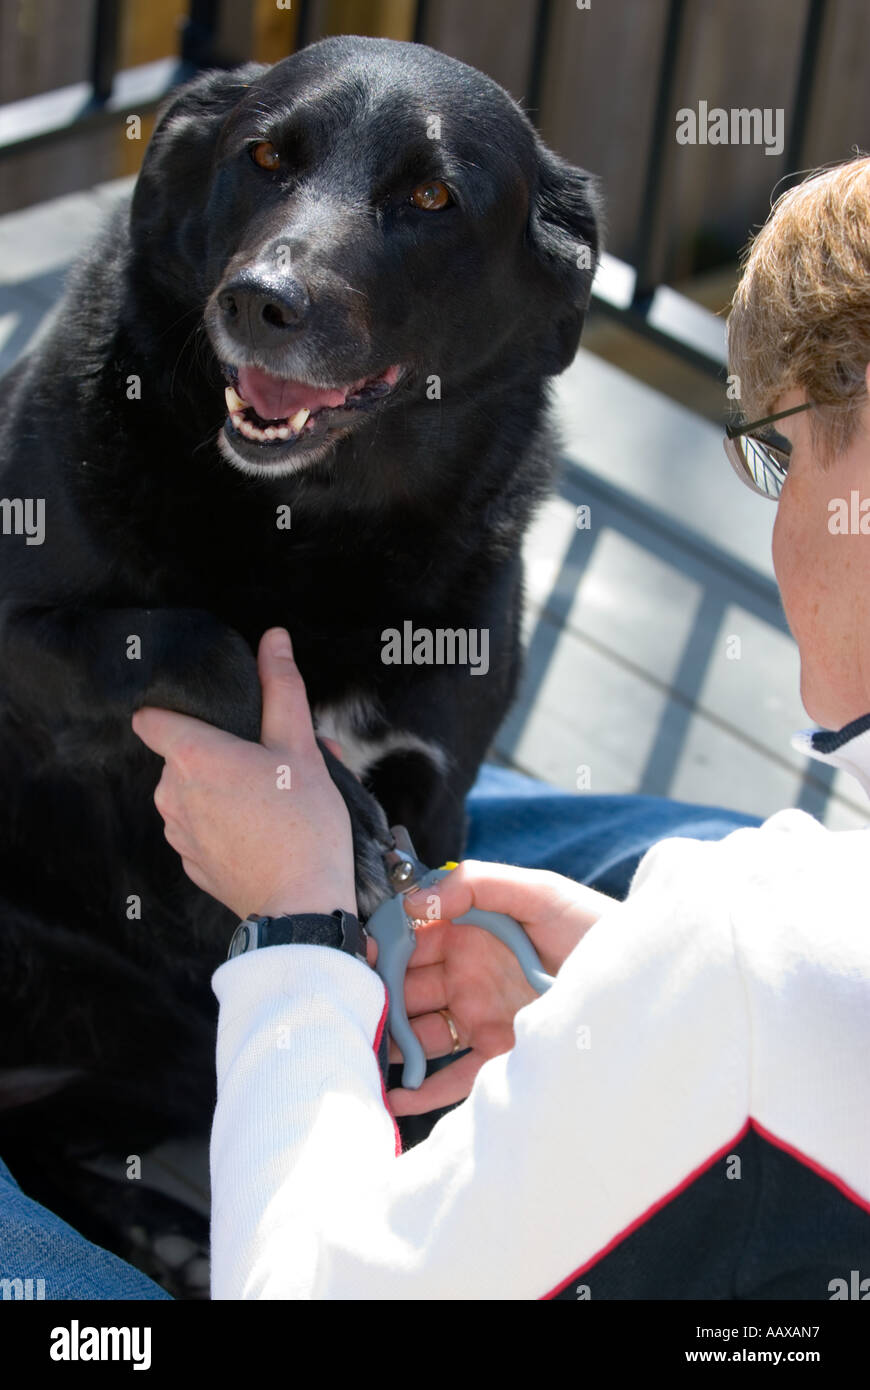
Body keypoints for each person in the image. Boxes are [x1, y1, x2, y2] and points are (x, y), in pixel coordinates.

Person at [5, 154, 870, 1300]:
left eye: (785, 455)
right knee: (652, 842)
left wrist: (296, 927)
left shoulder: (752, 959)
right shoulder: (785, 927)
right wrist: (629, 990)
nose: (783, 512)